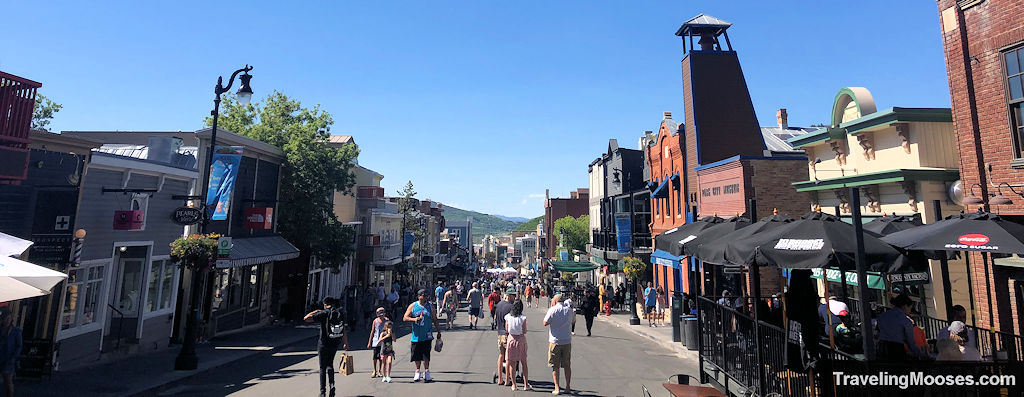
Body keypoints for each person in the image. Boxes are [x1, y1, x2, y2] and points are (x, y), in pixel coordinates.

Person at [303, 297, 349, 397]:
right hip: (335, 342)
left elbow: (306, 319)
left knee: (322, 368)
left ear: (325, 304)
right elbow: (343, 328)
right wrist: (345, 343)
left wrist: (315, 311)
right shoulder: (339, 313)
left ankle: (323, 392)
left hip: (323, 343)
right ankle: (332, 387)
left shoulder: (324, 313)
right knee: (330, 365)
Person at [403, 289, 441, 382]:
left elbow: (435, 319)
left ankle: (427, 372)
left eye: (426, 296)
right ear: (419, 296)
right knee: (417, 355)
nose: (425, 297)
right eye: (423, 296)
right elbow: (405, 317)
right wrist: (414, 319)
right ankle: (417, 372)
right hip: (416, 335)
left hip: (427, 334)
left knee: (426, 355)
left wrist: (439, 331)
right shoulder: (413, 306)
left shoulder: (430, 306)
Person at [876, 295, 925, 361]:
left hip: (882, 347)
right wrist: (921, 354)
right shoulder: (905, 321)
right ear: (905, 306)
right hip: (896, 349)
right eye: (910, 308)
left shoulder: (883, 316)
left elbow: (878, 331)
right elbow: (911, 343)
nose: (910, 311)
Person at [544, 293, 574, 395]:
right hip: (566, 340)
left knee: (555, 365)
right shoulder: (569, 311)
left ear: (555, 301)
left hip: (555, 340)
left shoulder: (552, 310)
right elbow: (573, 321)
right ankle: (568, 386)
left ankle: (557, 388)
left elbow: (545, 322)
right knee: (567, 365)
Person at [504, 299, 532, 391]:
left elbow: (507, 329)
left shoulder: (508, 317)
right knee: (524, 362)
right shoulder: (523, 318)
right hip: (520, 339)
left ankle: (514, 385)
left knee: (512, 363)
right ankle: (525, 384)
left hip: (511, 339)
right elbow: (524, 331)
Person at [493, 288, 516, 385]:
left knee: (501, 355)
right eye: (513, 295)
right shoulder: (511, 307)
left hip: (500, 333)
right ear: (508, 296)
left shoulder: (499, 305)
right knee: (509, 357)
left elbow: (495, 317)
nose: (514, 297)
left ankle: (500, 378)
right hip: (508, 334)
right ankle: (508, 378)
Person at [1, 308, 23, 397]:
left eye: (9, 319)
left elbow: (19, 345)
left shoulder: (16, 331)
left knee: (8, 382)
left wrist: (14, 357)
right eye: (5, 319)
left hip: (8, 359)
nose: (7, 321)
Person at [366, 307, 388, 378]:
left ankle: (379, 370)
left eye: (382, 313)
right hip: (376, 341)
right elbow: (372, 332)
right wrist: (369, 342)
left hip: (384, 341)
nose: (381, 315)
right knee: (375, 356)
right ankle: (374, 370)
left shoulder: (387, 321)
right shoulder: (375, 321)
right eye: (379, 313)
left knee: (381, 357)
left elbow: (389, 331)